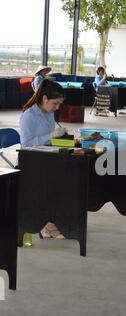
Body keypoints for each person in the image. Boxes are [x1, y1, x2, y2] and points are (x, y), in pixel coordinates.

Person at [20, 79, 67, 239]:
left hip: (46, 157)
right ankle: (46, 223)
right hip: (31, 161)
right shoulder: (29, 116)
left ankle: (54, 219)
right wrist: (50, 136)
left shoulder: (49, 113)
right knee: (51, 183)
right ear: (45, 99)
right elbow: (25, 146)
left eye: (59, 104)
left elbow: (49, 141)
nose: (57, 108)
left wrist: (61, 138)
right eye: (55, 103)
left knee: (69, 177)